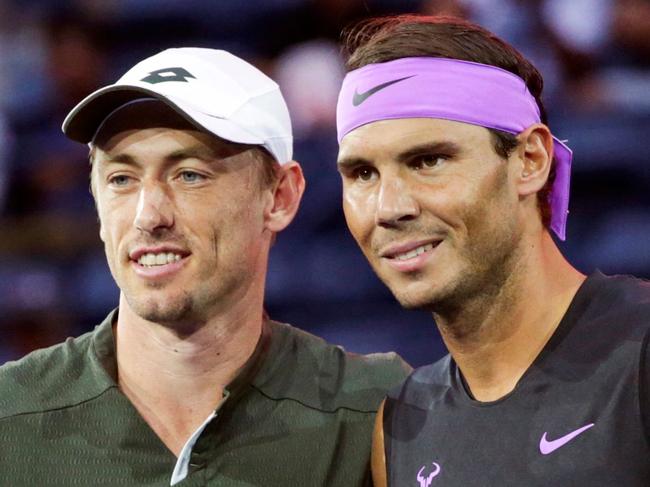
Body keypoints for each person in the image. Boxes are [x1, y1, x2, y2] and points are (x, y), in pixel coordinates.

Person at [0, 47, 411, 486]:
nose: (149, 216)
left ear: (280, 197)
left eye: (189, 175)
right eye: (122, 179)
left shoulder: (379, 410)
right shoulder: (9, 414)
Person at [334, 15, 650, 486]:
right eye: (362, 174)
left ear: (530, 161)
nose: (388, 208)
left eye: (428, 161)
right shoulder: (399, 424)